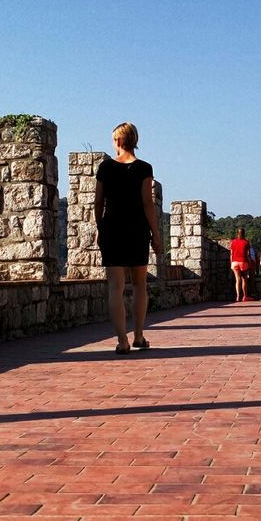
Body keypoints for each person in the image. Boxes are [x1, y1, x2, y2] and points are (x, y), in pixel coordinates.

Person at [95, 122, 165, 353]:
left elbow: (98, 202)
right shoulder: (144, 168)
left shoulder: (105, 168)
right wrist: (155, 234)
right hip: (136, 229)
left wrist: (100, 227)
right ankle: (139, 336)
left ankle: (121, 341)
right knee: (139, 285)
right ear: (135, 141)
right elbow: (147, 203)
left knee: (115, 287)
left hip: (112, 228)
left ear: (116, 141)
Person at [229, 227, 251, 302]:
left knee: (237, 280)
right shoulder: (246, 242)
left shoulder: (233, 242)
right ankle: (245, 296)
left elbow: (231, 254)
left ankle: (238, 296)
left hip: (235, 262)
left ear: (237, 233)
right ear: (244, 233)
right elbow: (248, 254)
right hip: (243, 261)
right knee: (244, 279)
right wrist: (250, 263)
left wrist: (231, 263)